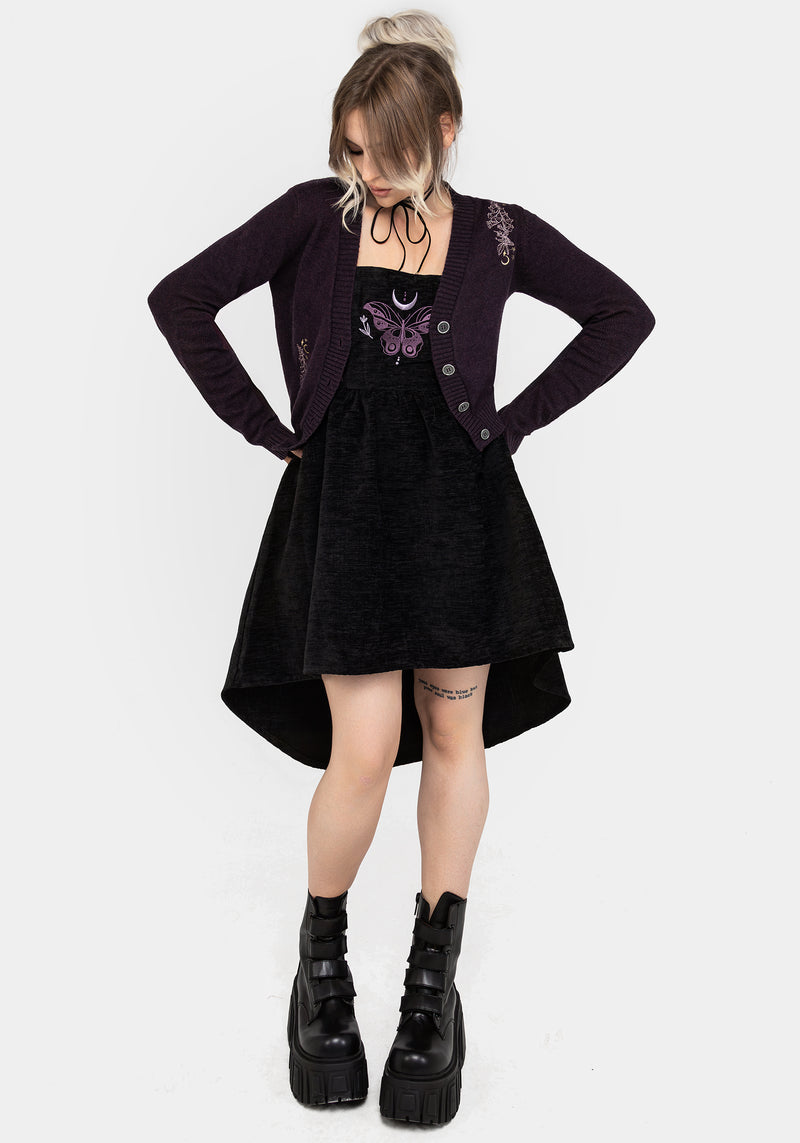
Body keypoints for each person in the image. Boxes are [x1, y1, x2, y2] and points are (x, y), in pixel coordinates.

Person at [146, 8, 655, 1126]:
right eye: (350, 149)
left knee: (453, 736)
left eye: (386, 152)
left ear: (445, 130)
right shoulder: (308, 218)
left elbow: (622, 315)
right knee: (365, 749)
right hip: (346, 515)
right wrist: (266, 427)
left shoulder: (500, 236)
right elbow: (179, 299)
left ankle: (433, 992)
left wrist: (513, 421)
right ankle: (319, 966)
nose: (364, 172)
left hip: (460, 519)